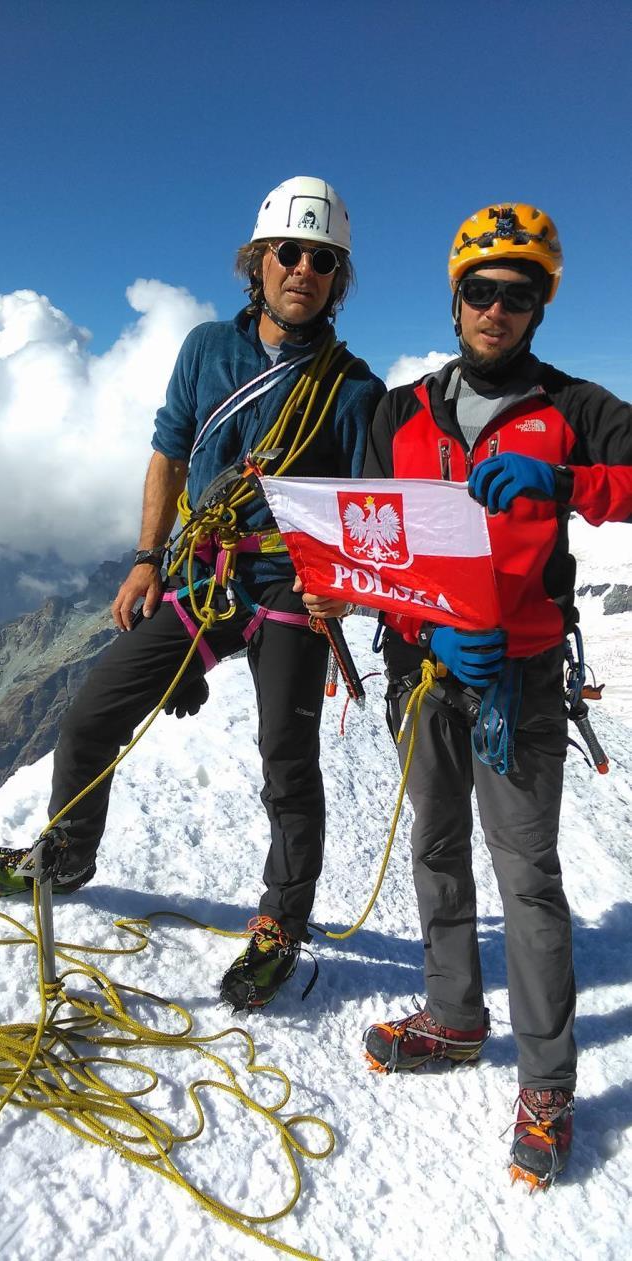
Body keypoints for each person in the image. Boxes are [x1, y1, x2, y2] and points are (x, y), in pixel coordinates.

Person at [0, 176, 384, 1011]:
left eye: (322, 259)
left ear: (337, 279)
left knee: (287, 761)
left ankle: (281, 922)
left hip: (290, 596)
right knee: (93, 712)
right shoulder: (205, 350)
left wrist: (338, 585)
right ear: (258, 263)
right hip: (206, 575)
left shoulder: (352, 389)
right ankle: (68, 855)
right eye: (288, 253)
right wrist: (145, 557)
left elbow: (360, 507)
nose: (303, 268)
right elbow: (168, 453)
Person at [359, 203, 632, 1187]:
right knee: (435, 846)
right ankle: (456, 1014)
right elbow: (356, 525)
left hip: (515, 675)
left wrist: (563, 480)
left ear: (540, 307)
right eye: (481, 290)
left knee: (525, 876)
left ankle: (548, 1080)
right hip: (421, 663)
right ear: (456, 295)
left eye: (519, 295)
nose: (497, 309)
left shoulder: (577, 406)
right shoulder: (401, 411)